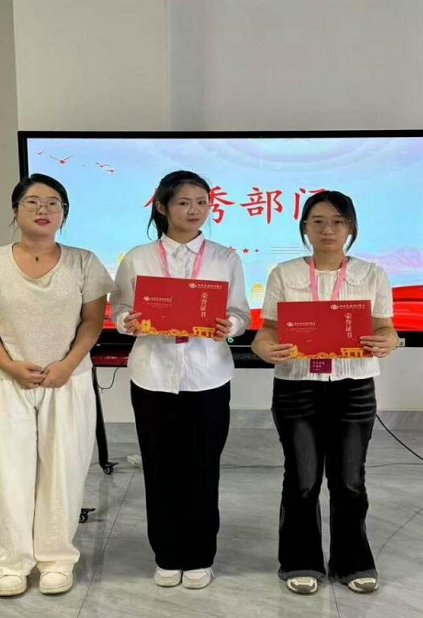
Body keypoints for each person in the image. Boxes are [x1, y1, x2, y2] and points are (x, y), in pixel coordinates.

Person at [0, 173, 115, 597]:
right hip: (8, 382)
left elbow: (92, 321)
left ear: (64, 214)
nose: (44, 209)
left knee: (64, 471)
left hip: (68, 381)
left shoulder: (84, 262)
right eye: (33, 202)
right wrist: (9, 365)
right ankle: (11, 562)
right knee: (10, 473)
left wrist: (68, 364)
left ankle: (57, 559)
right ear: (15, 210)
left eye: (53, 203)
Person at [251, 190, 398, 595]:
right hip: (296, 386)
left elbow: (386, 327)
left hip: (354, 386)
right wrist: (263, 348)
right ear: (305, 227)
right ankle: (300, 559)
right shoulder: (284, 274)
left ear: (351, 227)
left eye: (337, 221)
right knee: (302, 478)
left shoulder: (372, 275)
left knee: (350, 479)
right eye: (317, 221)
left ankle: (353, 560)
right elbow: (268, 331)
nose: (327, 229)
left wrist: (389, 341)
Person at [110, 170, 251, 590]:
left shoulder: (226, 258)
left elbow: (240, 313)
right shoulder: (138, 258)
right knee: (159, 468)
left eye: (202, 202)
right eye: (184, 202)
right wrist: (127, 321)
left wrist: (231, 325)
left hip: (208, 376)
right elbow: (119, 309)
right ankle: (167, 554)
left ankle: (200, 555)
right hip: (152, 376)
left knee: (203, 468)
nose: (195, 211)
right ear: (162, 206)